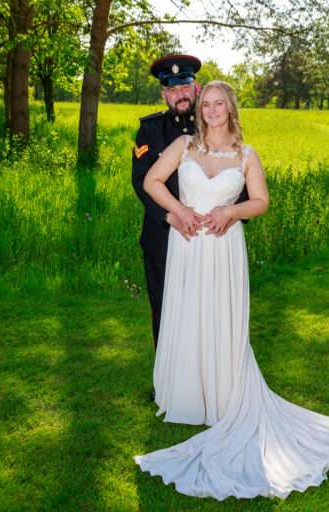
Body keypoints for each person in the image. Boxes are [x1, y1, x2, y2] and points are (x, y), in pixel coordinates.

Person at [133, 80, 329, 500]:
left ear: (231, 109)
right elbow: (151, 182)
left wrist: (231, 211)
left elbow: (261, 201)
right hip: (188, 247)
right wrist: (179, 211)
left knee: (220, 320)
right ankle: (185, 396)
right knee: (186, 315)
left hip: (223, 248)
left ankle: (223, 398)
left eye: (220, 104)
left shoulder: (246, 155)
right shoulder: (182, 146)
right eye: (207, 104)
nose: (213, 110)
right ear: (200, 109)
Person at [131, 55, 248, 353]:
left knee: (210, 308)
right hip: (163, 235)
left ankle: (208, 373)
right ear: (163, 93)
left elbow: (240, 181)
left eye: (184, 86)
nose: (179, 94)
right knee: (164, 304)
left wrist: (231, 217)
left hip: (211, 237)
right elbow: (141, 181)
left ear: (195, 88)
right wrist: (170, 216)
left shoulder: (214, 122)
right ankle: (166, 376)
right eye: (172, 89)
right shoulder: (150, 131)